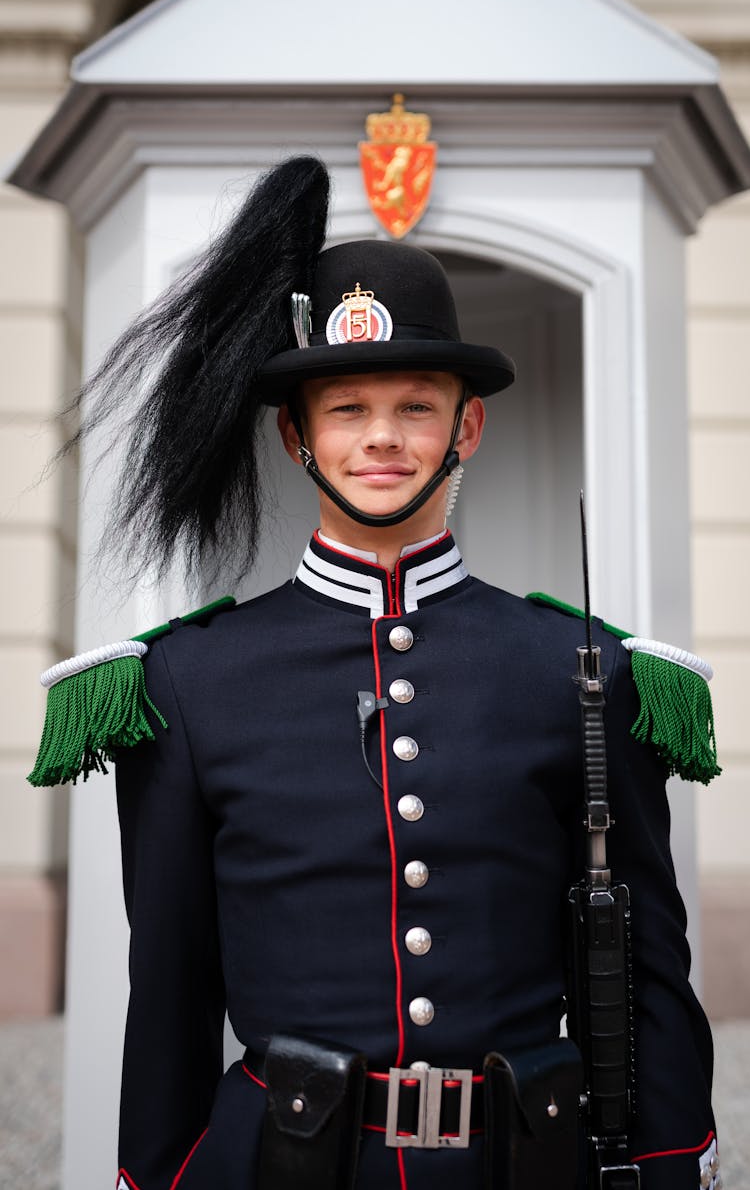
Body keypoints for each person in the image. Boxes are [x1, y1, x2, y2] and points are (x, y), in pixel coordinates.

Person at [32, 158, 721, 1190]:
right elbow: (169, 989)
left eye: (415, 405)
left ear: (467, 429)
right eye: (347, 408)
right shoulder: (186, 683)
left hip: (521, 1167)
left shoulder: (584, 671)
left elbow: (655, 970)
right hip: (280, 1166)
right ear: (297, 437)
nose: (383, 438)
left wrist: (668, 1167)